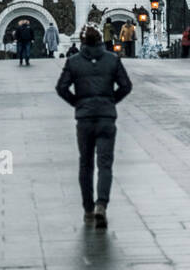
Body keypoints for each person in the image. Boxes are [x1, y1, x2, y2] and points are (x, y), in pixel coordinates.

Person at [55, 23, 132, 229]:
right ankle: (102, 205)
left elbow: (61, 88)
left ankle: (88, 209)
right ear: (100, 40)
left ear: (82, 41)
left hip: (85, 119)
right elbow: (126, 86)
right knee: (105, 164)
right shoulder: (112, 60)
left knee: (86, 164)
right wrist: (111, 101)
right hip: (107, 118)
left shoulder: (73, 61)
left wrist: (77, 103)